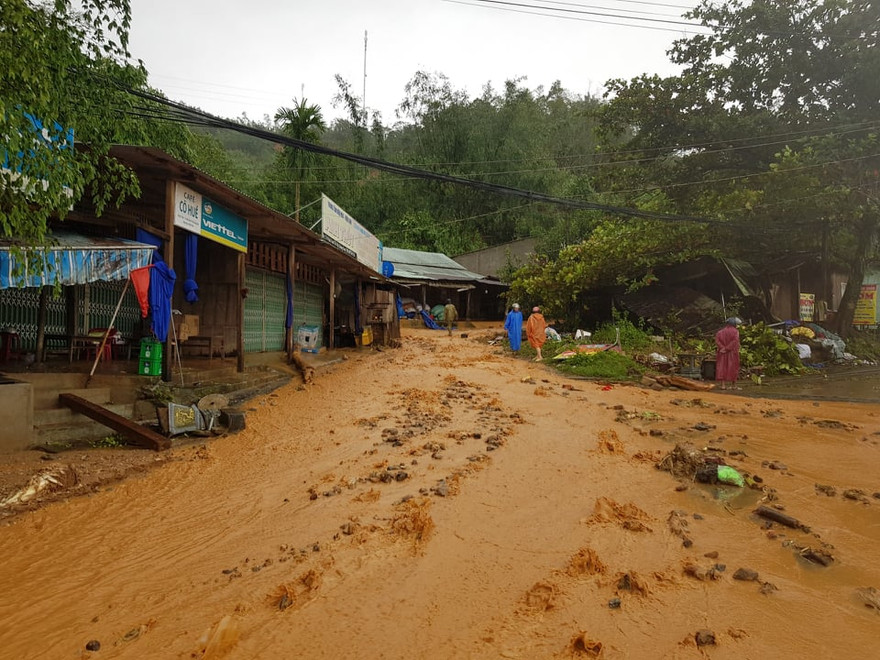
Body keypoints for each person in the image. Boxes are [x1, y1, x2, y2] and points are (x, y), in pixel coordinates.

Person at [715, 317, 742, 390]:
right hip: (732, 353)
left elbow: (717, 341)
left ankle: (723, 385)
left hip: (722, 352)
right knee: (733, 368)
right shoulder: (736, 331)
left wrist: (722, 348)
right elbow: (735, 341)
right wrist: (727, 348)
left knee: (722, 368)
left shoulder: (720, 332)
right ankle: (734, 385)